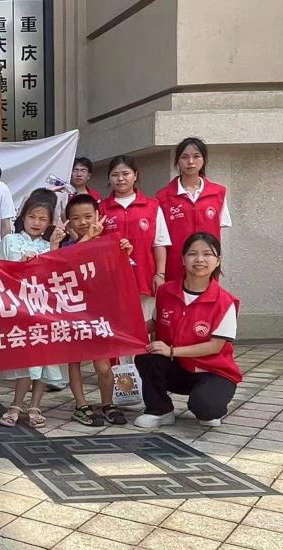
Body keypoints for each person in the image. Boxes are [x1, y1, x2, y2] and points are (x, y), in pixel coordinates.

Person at [134, 232, 240, 428]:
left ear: (217, 261)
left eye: (207, 254)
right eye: (192, 254)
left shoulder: (225, 302)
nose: (199, 259)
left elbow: (215, 346)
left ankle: (209, 402)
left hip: (213, 371)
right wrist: (124, 332)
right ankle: (160, 410)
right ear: (183, 259)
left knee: (206, 412)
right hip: (179, 368)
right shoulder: (166, 291)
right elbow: (155, 322)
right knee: (147, 357)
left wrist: (171, 351)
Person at [61, 194, 134, 426]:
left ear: (98, 216)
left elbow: (122, 272)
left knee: (103, 365)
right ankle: (81, 405)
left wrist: (125, 253)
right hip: (74, 311)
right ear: (68, 222)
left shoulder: (111, 242)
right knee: (74, 361)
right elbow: (68, 261)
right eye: (76, 218)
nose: (82, 222)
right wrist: (88, 238)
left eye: (87, 216)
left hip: (100, 313)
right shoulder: (66, 245)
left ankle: (107, 403)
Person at [0, 196, 67, 428]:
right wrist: (20, 266)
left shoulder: (49, 245)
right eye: (32, 217)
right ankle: (16, 404)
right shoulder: (10, 241)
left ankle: (35, 405)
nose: (36, 222)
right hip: (19, 311)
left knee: (45, 359)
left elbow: (56, 277)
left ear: (50, 222)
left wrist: (54, 247)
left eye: (42, 219)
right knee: (26, 359)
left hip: (44, 310)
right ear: (23, 217)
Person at [99, 155, 171, 321]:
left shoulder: (152, 206)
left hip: (145, 275)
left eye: (126, 173)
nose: (120, 179)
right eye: (115, 175)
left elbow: (160, 243)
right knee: (117, 323)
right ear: (109, 178)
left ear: (135, 175)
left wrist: (160, 274)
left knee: (144, 324)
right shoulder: (101, 208)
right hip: (112, 278)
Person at [155, 137, 232, 282]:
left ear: (204, 160)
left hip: (207, 265)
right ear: (177, 161)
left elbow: (218, 229)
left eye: (196, 156)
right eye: (184, 157)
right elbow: (160, 238)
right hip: (175, 265)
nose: (190, 162)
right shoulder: (162, 197)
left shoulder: (218, 193)